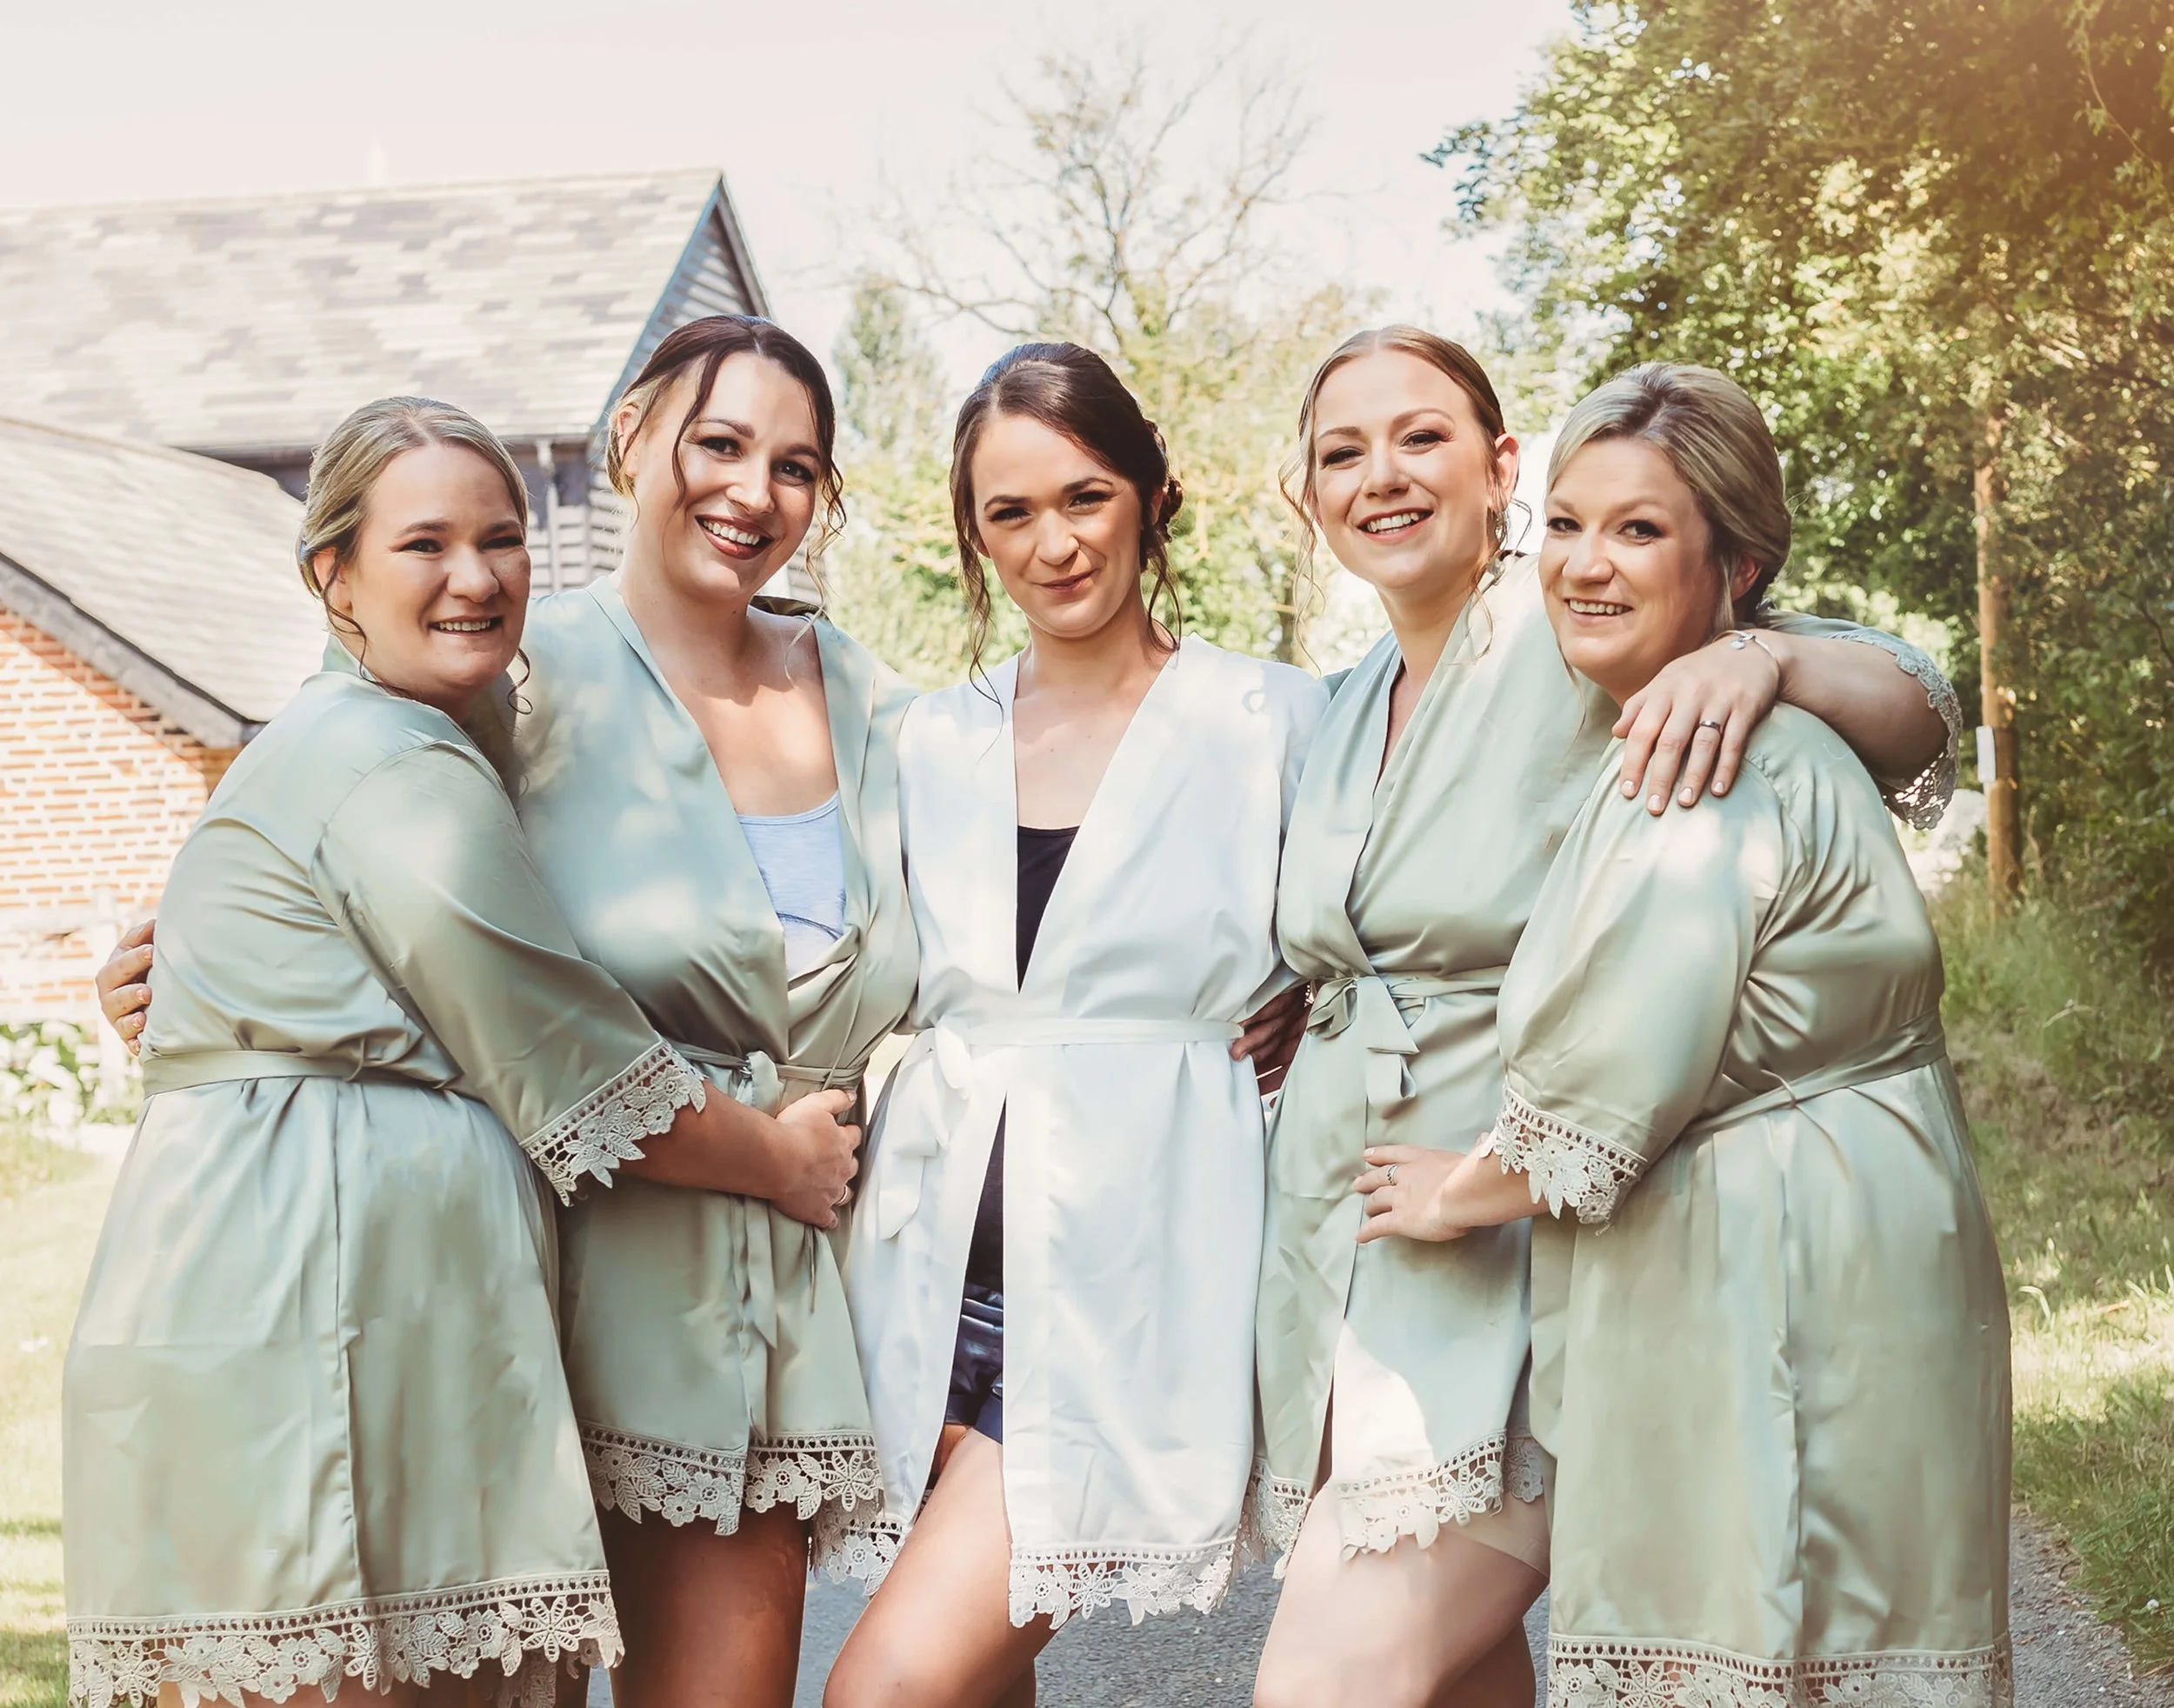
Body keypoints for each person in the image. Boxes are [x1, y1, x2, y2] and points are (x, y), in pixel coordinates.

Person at [90, 317, 916, 1708]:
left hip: (742, 1270)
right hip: (506, 1249)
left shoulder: (877, 704)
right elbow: (326, 869)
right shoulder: (502, 683)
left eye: (795, 464)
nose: (751, 489)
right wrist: (198, 992)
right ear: (631, 439)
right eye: (719, 441)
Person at [1249, 329, 1964, 1708]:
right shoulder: (1336, 712)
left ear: (1500, 467)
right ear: (1305, 492)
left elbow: (1914, 705)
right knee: (1452, 1681)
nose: (1381, 477)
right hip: (1353, 1242)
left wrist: (1764, 662)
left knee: (1326, 1682)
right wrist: (1307, 991)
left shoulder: (1580, 620)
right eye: (1343, 452)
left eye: (1422, 439)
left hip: (1524, 1237)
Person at [824, 344, 1322, 1708]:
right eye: (1011, 513)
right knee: (976, 1685)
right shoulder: (926, 740)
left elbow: (1396, 919)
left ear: (1154, 496)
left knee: (884, 1690)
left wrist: (1316, 1001)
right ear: (973, 538)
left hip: (1130, 1274)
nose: (1054, 543)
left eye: (1086, 497)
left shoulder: (1271, 717)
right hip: (931, 1275)